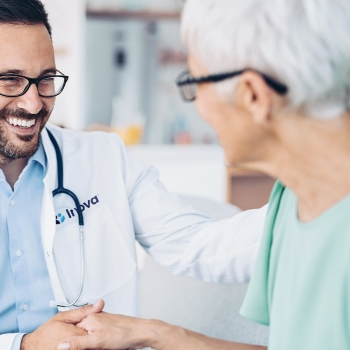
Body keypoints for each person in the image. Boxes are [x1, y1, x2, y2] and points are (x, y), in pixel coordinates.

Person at [57, 0, 350, 349]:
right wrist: (156, 333)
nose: (196, 104)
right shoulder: (292, 205)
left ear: (253, 95)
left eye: (194, 83)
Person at [0, 1, 270, 350]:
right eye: (11, 80)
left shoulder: (103, 158)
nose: (34, 103)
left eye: (46, 80)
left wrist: (311, 203)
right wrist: (23, 345)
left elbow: (199, 246)